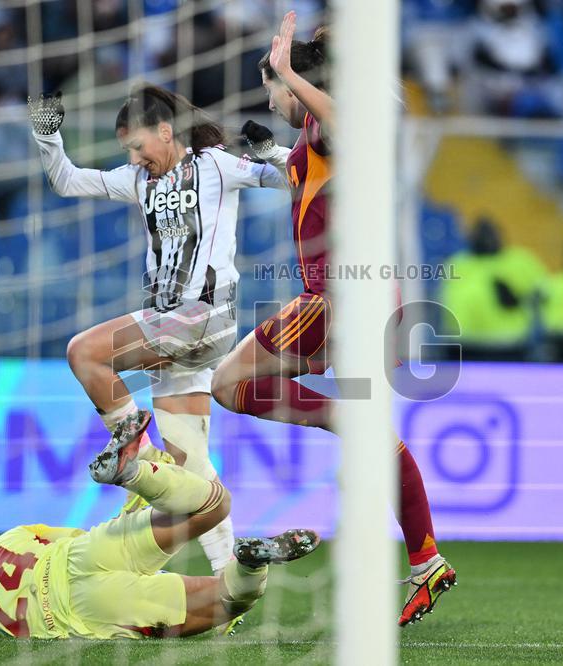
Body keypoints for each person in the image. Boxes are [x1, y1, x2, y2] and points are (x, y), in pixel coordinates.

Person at [210, 12, 456, 627]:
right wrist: (271, 157)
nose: (271, 100)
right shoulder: (314, 136)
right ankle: (426, 558)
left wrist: (290, 68)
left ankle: (339, 415)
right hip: (370, 296)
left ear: (296, 85)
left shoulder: (327, 121)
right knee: (375, 436)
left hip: (335, 299)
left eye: (272, 89)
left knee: (225, 385)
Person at [29, 85, 287, 577]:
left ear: (165, 132)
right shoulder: (136, 180)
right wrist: (49, 136)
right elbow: (66, 181)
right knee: (191, 465)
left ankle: (132, 441)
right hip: (176, 337)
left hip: (202, 316)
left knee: (85, 352)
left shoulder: (215, 164)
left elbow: (288, 179)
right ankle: (232, 575)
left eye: (137, 145)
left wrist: (272, 150)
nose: (134, 156)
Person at [0, 420, 320, 639]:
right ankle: (134, 472)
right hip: (79, 556)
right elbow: (75, 539)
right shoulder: (9, 539)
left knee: (227, 603)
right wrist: (135, 515)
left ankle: (249, 564)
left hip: (83, 612)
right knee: (214, 504)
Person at [440, 216, 547, 361]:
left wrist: (519, 299)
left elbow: (544, 294)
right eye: (481, 234)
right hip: (465, 344)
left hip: (509, 343)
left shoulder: (520, 260)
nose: (486, 239)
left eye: (490, 234)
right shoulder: (457, 263)